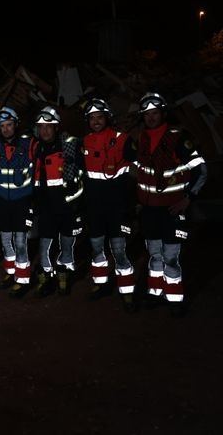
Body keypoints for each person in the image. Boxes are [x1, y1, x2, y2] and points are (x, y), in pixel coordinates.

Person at [133, 92, 207, 317]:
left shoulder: (178, 138)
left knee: (171, 257)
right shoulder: (141, 139)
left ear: (163, 113)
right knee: (154, 255)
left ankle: (175, 299)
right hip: (149, 211)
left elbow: (201, 170)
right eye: (147, 114)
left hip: (172, 210)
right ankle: (156, 293)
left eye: (155, 113)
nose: (151, 117)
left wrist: (188, 198)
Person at [81, 98, 137, 313]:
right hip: (94, 208)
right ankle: (100, 284)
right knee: (97, 248)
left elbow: (140, 169)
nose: (96, 121)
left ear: (107, 118)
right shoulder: (84, 142)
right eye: (92, 118)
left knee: (119, 250)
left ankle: (127, 291)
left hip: (117, 207)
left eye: (99, 117)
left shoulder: (122, 139)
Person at [31, 106, 83, 297]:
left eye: (48, 126)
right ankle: (45, 279)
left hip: (67, 206)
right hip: (46, 207)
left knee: (67, 245)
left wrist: (77, 203)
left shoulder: (69, 145)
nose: (44, 131)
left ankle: (64, 276)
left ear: (56, 127)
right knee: (44, 246)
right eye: (41, 127)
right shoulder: (36, 148)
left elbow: (82, 174)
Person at [0, 107, 36, 298]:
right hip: (2, 202)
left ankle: (22, 280)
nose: (6, 129)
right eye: (2, 126)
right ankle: (11, 273)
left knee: (20, 241)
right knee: (5, 240)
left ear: (16, 124)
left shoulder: (29, 144)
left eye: (9, 125)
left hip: (22, 201)